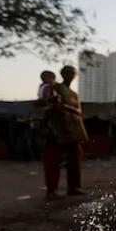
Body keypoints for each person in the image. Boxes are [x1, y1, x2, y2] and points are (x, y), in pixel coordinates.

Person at [42, 65, 88, 199]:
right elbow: (47, 102)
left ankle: (73, 188)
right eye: (67, 73)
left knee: (75, 160)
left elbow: (79, 111)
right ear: (62, 74)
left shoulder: (74, 94)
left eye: (72, 73)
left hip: (72, 130)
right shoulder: (53, 88)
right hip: (56, 129)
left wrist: (66, 106)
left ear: (75, 76)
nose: (69, 75)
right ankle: (51, 191)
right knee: (52, 160)